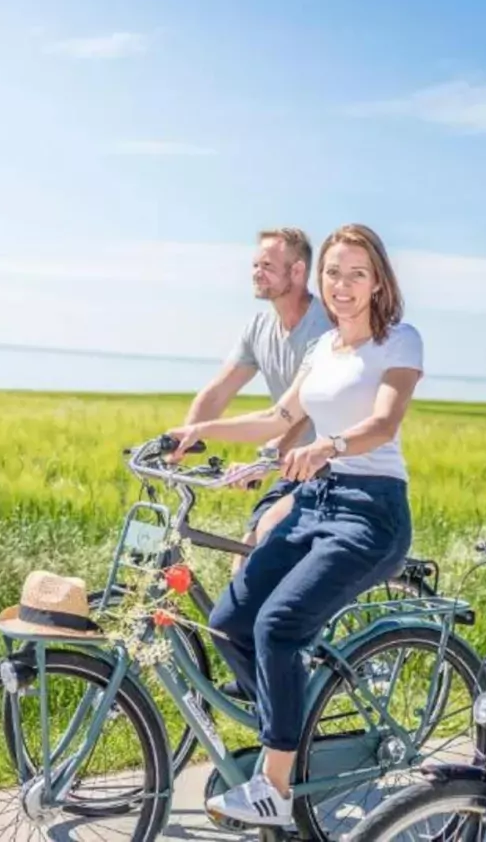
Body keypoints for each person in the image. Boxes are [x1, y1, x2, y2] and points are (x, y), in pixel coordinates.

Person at [166, 223, 423, 827]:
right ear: (321, 279)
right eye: (333, 273)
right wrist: (199, 431)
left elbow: (384, 424)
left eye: (356, 273)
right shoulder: (323, 348)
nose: (342, 284)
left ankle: (276, 788)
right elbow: (278, 417)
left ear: (378, 281)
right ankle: (293, 731)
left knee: (278, 626)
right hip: (316, 501)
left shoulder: (399, 341)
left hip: (371, 513)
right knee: (229, 621)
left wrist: (329, 446)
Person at [183, 228, 331, 566]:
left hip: (328, 466)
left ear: (297, 271)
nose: (256, 273)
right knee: (245, 560)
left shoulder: (324, 327)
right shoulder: (259, 328)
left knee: (264, 548)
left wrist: (267, 460)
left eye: (267, 266)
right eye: (255, 265)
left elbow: (305, 408)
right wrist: (181, 440)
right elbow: (218, 392)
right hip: (291, 467)